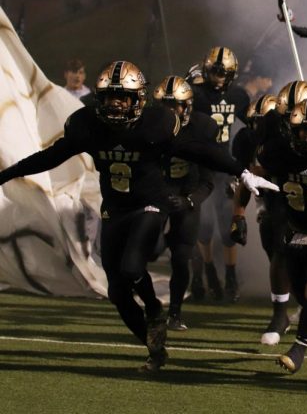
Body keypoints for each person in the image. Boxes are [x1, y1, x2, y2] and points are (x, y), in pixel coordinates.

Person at [0, 61, 276, 372]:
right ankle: (154, 347)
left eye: (123, 97)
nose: (116, 103)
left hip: (149, 205)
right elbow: (49, 156)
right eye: (110, 97)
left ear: (138, 100)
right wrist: (5, 174)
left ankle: (156, 308)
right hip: (115, 208)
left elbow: (198, 150)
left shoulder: (154, 124)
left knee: (132, 266)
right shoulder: (88, 125)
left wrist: (241, 171)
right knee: (117, 292)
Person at [235, 98, 307, 374]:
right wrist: (238, 213)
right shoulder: (279, 153)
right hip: (296, 229)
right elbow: (254, 171)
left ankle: (298, 349)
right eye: (304, 130)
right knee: (305, 295)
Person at [153, 76, 218, 332]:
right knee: (149, 249)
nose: (170, 112)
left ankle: (175, 313)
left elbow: (208, 181)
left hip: (187, 195)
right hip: (157, 195)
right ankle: (150, 304)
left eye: (176, 105)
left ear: (187, 106)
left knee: (181, 258)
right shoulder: (148, 128)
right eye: (165, 105)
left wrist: (189, 200)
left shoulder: (201, 130)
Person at [191, 47, 251, 303]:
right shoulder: (196, 94)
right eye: (215, 71)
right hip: (200, 166)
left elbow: (250, 126)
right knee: (203, 228)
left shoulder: (239, 96)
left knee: (228, 227)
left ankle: (231, 276)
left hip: (225, 167)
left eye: (223, 73)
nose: (218, 77)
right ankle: (208, 271)